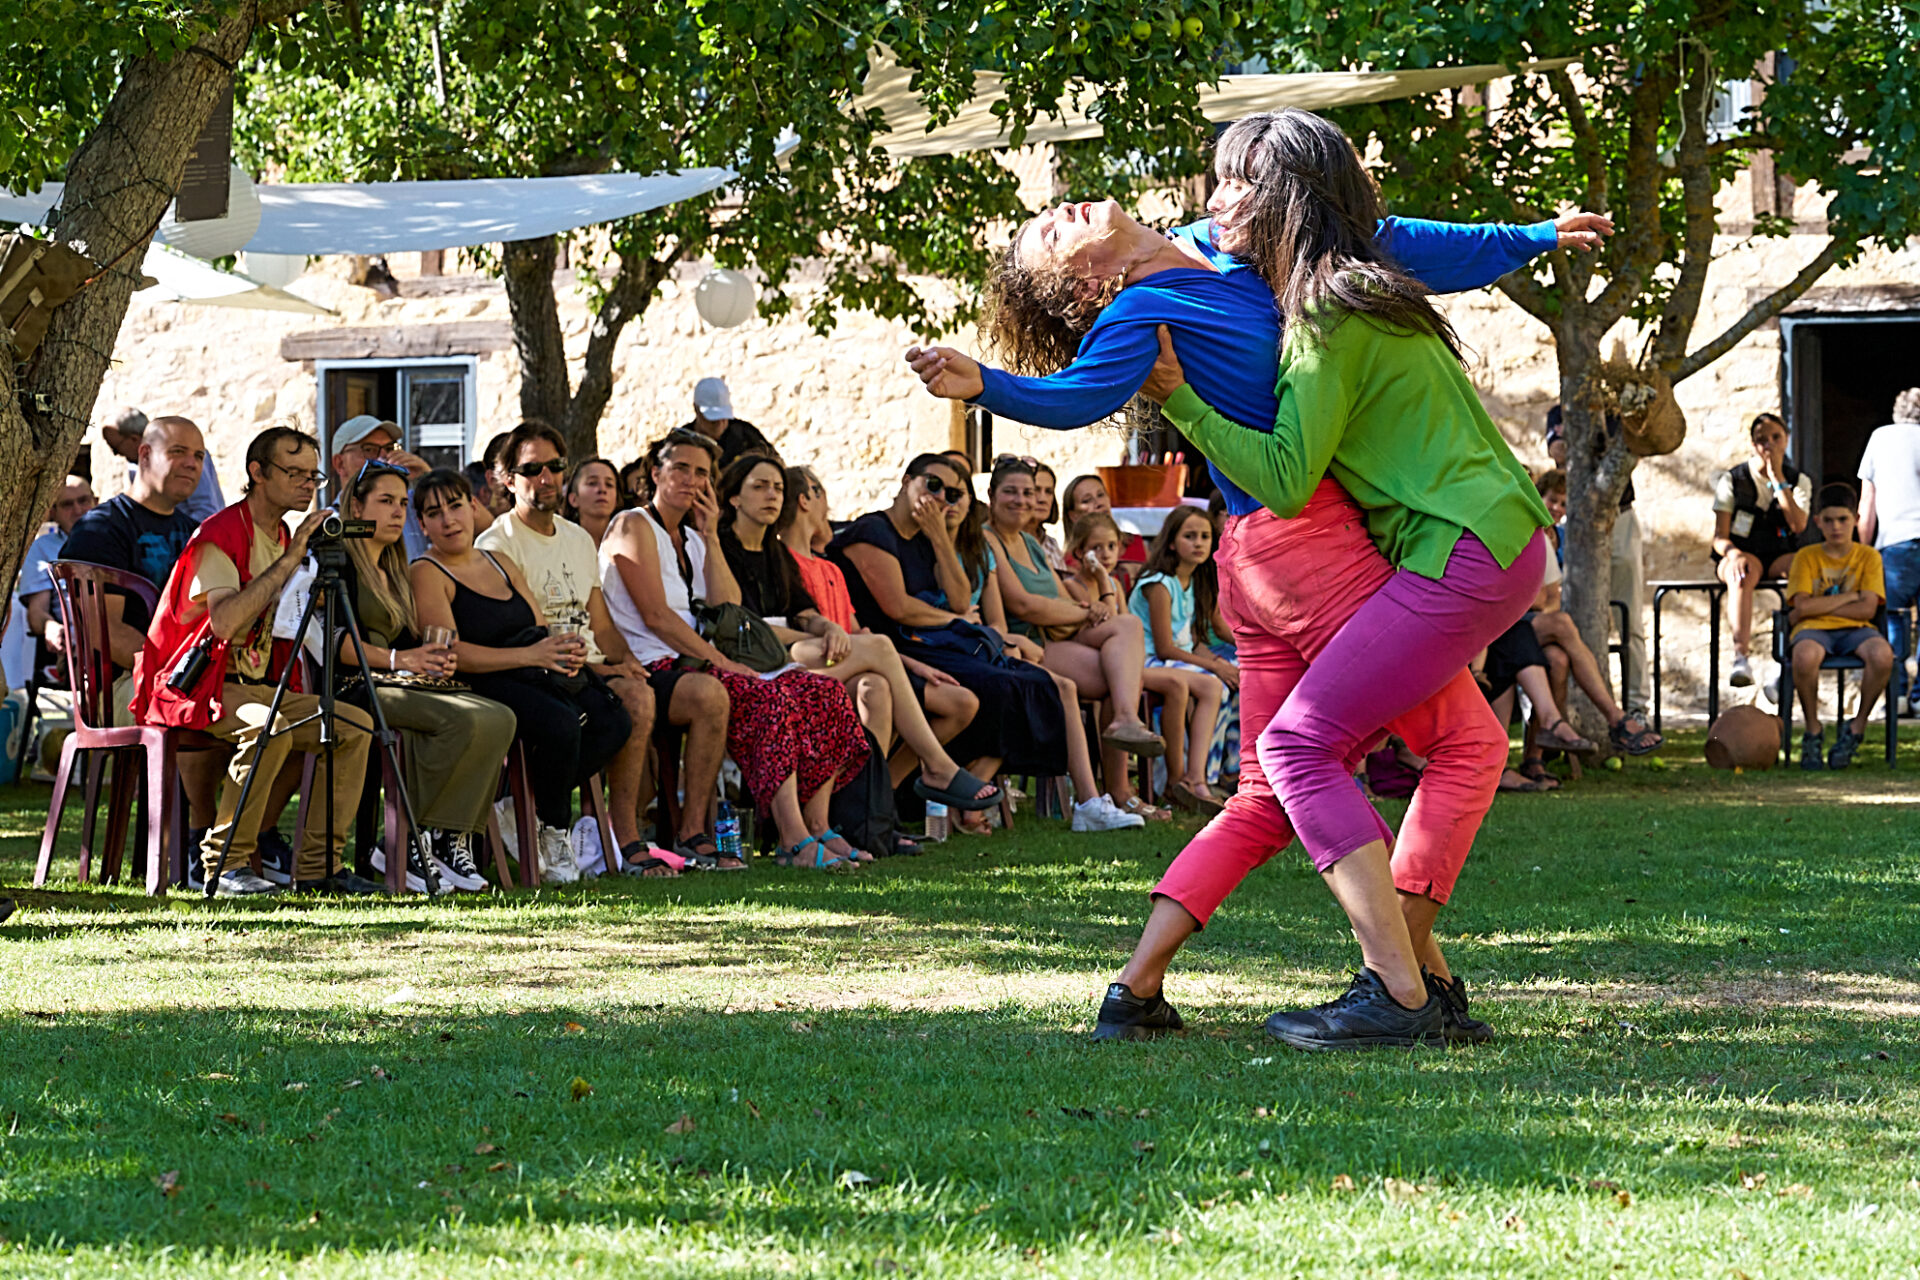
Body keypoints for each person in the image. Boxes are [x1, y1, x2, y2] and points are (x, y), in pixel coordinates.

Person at [908, 109, 1601, 1047]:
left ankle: (1138, 990)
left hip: (1259, 556)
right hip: (1306, 546)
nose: (1057, 209)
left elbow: (1389, 237)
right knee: (1441, 746)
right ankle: (1406, 983)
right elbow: (1076, 397)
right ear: (1087, 282)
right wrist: (985, 385)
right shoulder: (1140, 313)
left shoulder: (1229, 241)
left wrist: (1531, 237)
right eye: (1047, 233)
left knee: (1269, 789)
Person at [601, 429, 873, 870]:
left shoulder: (694, 538)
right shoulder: (633, 524)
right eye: (680, 468)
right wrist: (722, 662)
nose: (691, 480)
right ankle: (789, 841)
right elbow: (656, 616)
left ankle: (818, 826)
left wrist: (710, 536)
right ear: (655, 473)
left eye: (701, 473)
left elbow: (729, 608)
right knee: (765, 698)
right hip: (655, 663)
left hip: (702, 661)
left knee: (824, 693)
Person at [828, 454, 1144, 832]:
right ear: (907, 481)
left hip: (932, 645)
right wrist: (961, 622)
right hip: (899, 649)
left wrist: (939, 539)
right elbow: (901, 608)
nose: (941, 498)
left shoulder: (931, 538)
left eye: (953, 493)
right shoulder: (873, 531)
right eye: (933, 485)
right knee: (1013, 689)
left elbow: (961, 599)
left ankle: (891, 796)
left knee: (1032, 685)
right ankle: (901, 793)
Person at [131, 425, 380, 897]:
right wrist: (291, 560)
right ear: (258, 473)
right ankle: (224, 865)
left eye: (313, 476)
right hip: (195, 683)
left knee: (352, 725)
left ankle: (319, 867)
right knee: (271, 727)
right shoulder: (220, 533)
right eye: (294, 473)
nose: (307, 484)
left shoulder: (283, 533)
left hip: (253, 683)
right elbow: (225, 622)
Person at [721, 454, 996, 810]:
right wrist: (823, 635)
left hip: (806, 652)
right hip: (760, 657)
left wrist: (828, 628)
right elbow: (742, 624)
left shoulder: (778, 555)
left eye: (777, 488)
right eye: (761, 487)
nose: (773, 495)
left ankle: (869, 811)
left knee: (876, 687)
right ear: (735, 498)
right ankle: (936, 767)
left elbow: (809, 615)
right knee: (906, 665)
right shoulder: (727, 548)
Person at [410, 468, 644, 880]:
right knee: (561, 723)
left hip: (532, 670)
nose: (448, 520)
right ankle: (553, 831)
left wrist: (563, 651)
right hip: (481, 679)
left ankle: (518, 806)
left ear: (473, 507)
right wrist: (530, 655)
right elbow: (450, 651)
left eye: (455, 506)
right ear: (422, 524)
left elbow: (538, 626)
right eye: (434, 513)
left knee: (613, 719)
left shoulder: (498, 561)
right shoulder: (427, 571)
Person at [328, 461, 518, 892]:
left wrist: (433, 660)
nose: (397, 512)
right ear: (356, 507)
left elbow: (412, 644)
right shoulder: (340, 560)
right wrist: (402, 659)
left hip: (398, 683)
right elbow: (334, 642)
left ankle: (449, 839)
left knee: (500, 715)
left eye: (401, 503)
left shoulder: (396, 566)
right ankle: (410, 840)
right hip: (355, 687)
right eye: (385, 501)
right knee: (463, 719)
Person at [475, 421, 655, 873]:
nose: (546, 478)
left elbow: (601, 622)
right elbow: (521, 632)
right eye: (532, 469)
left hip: (580, 667)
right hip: (532, 669)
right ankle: (551, 825)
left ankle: (523, 806)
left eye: (555, 467)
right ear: (507, 479)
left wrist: (626, 662)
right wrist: (602, 670)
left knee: (625, 712)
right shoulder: (496, 544)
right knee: (580, 720)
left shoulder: (576, 538)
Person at [982, 457, 1164, 759]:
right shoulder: (988, 539)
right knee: (1120, 679)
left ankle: (1125, 723)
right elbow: (1024, 605)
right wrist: (1085, 611)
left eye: (1028, 493)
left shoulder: (1029, 542)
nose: (1021, 500)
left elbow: (1060, 596)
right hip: (1030, 641)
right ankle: (1121, 746)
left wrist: (1087, 603)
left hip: (1059, 632)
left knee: (1127, 631)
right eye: (1011, 491)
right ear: (992, 495)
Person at [1120, 506, 1240, 811]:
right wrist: (1215, 665)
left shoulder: (1197, 579)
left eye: (1205, 536)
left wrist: (1244, 653)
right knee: (1214, 683)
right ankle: (1194, 778)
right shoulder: (1160, 583)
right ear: (1171, 542)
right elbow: (1164, 648)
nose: (1199, 543)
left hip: (1176, 661)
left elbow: (1201, 637)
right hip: (1143, 661)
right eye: (1190, 536)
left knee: (1234, 677)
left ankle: (1213, 775)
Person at [1544, 401, 1649, 717]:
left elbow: (1628, 454)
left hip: (1619, 516)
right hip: (1575, 521)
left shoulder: (1619, 414)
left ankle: (1637, 705)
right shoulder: (1562, 411)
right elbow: (1558, 451)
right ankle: (1580, 701)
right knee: (1576, 616)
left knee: (1629, 618)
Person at [1785, 483, 1892, 771]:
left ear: (1856, 519)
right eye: (1829, 520)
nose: (1836, 527)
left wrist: (1817, 605)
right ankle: (1813, 730)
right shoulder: (1806, 557)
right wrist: (1850, 596)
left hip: (1857, 628)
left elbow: (1868, 609)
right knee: (1804, 656)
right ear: (1817, 521)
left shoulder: (1869, 557)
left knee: (1883, 655)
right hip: (1814, 629)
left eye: (1843, 519)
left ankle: (1856, 728)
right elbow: (1802, 607)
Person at [1712, 412, 1812, 688]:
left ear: (1786, 440)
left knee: (1802, 569)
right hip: (1742, 553)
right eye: (1761, 440)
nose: (1769, 445)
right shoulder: (1733, 480)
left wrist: (1778, 479)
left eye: (1775, 438)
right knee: (1742, 572)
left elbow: (1798, 524)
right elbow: (1719, 536)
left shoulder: (1798, 480)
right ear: (1753, 444)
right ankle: (1740, 656)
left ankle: (1786, 658)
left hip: (1779, 552)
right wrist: (1733, 553)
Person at [1855, 387, 1920, 711]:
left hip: (1895, 542)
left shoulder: (1880, 438)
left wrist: (1862, 551)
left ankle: (1897, 696)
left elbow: (1867, 501)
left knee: (1893, 621)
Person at [329, 415, 432, 558]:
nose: (383, 458)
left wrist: (428, 479)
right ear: (340, 464)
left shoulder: (410, 505)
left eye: (389, 449)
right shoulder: (330, 524)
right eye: (369, 449)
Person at [102, 406, 225, 522]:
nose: (116, 454)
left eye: (116, 447)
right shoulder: (134, 467)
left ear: (134, 439)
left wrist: (175, 533)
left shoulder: (188, 458)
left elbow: (206, 511)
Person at [15, 474, 94, 643]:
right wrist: (49, 626)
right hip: (74, 646)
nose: (78, 510)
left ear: (95, 502)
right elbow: (37, 611)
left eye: (83, 500)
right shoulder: (41, 548)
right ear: (53, 512)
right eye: (67, 504)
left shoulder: (115, 540)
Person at [1062, 473, 1150, 589]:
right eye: (1087, 500)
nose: (1098, 503)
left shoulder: (1137, 543)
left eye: (1101, 495)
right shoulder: (1071, 562)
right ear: (1073, 516)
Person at [682, 376, 773, 469]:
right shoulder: (682, 440)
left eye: (723, 418)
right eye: (713, 421)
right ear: (696, 410)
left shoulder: (744, 434)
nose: (720, 424)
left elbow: (774, 459)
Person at [564, 456, 622, 547]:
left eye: (609, 484)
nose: (602, 489)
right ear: (573, 499)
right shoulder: (563, 544)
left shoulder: (631, 540)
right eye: (592, 483)